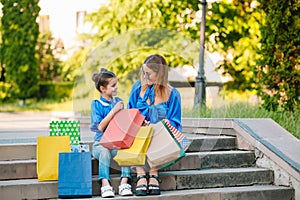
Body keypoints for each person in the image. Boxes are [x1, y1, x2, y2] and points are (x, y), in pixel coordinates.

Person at [128, 54, 182, 196]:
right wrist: (140, 122)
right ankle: (140, 173)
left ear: (160, 75)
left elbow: (176, 122)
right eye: (143, 72)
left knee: (155, 131)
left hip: (160, 136)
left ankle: (153, 172)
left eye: (148, 74)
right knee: (141, 132)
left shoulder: (173, 94)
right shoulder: (137, 88)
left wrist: (164, 123)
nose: (145, 76)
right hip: (139, 133)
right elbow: (129, 114)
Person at [90, 68, 133, 198]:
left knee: (125, 150)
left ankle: (125, 182)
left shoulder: (118, 101)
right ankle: (105, 183)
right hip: (100, 144)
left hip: (116, 143)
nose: (116, 88)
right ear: (103, 89)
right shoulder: (96, 104)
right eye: (113, 85)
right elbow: (100, 127)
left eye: (116, 84)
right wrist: (114, 111)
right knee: (104, 151)